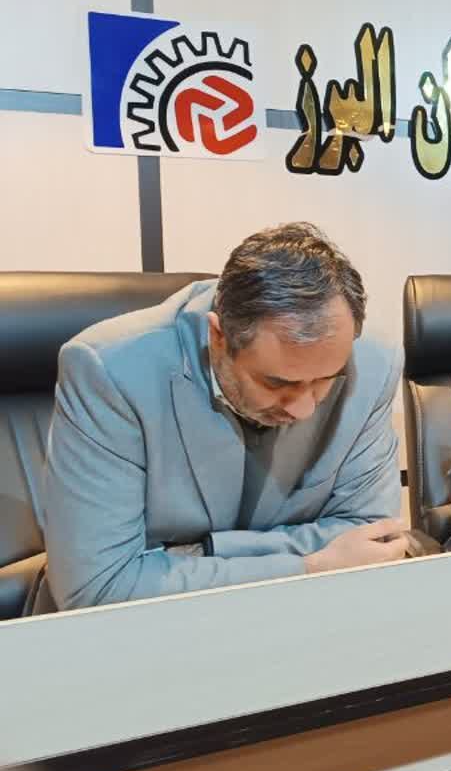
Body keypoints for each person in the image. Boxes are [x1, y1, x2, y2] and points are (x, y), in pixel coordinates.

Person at [40, 224, 407, 610]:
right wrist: (308, 567)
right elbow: (100, 587)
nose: (304, 408)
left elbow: (374, 539)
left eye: (324, 380)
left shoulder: (373, 362)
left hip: (311, 617)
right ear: (218, 336)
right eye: (277, 382)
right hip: (154, 630)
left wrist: (194, 554)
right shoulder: (111, 372)